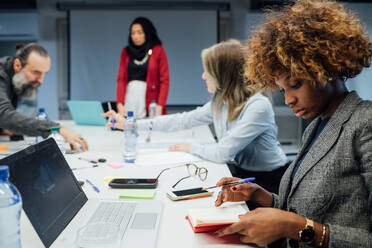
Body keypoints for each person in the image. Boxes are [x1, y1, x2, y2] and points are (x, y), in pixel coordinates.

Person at [213, 0, 372, 247]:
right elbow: (304, 210)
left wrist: (293, 227)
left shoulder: (365, 123)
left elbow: (303, 225)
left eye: (295, 84)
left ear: (324, 69)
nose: (288, 99)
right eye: (282, 89)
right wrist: (261, 196)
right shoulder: (315, 127)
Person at [106, 39, 288, 193]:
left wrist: (190, 147)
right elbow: (182, 120)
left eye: (207, 71)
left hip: (270, 181)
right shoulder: (222, 101)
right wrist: (133, 124)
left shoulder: (258, 106)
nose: (203, 76)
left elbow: (222, 153)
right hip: (243, 173)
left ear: (223, 75)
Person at [0, 43, 88, 151]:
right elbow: (4, 115)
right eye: (36, 72)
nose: (40, 80)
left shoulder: (15, 77)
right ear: (17, 65)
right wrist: (56, 129)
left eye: (44, 73)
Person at [116, 17, 170, 119]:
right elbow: (121, 79)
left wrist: (159, 105)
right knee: (129, 129)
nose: (136, 36)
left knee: (150, 129)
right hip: (130, 99)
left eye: (140, 32)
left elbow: (164, 81)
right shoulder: (126, 52)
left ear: (147, 32)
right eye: (133, 33)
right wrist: (120, 103)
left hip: (151, 101)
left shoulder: (158, 51)